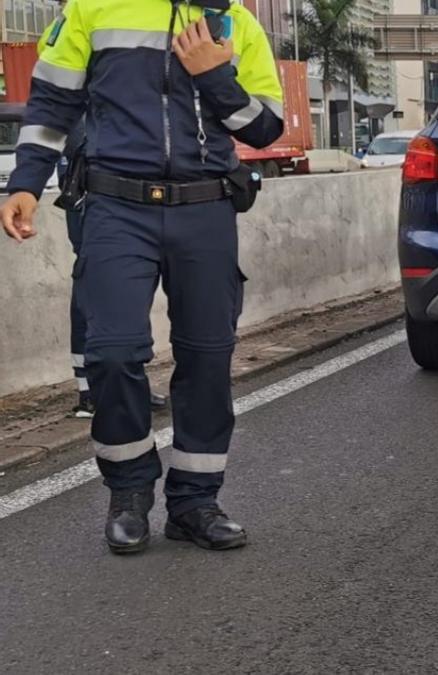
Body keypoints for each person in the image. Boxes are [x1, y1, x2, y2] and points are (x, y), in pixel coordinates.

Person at [2, 0, 284, 554]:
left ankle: (195, 502)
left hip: (205, 208)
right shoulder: (93, 8)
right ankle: (129, 491)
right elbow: (52, 102)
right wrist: (26, 183)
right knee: (110, 352)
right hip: (114, 207)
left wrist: (214, 75)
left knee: (207, 355)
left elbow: (266, 128)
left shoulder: (236, 21)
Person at [36, 9, 168, 420]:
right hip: (90, 179)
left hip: (104, 173)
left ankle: (119, 383)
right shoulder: (71, 27)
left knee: (120, 291)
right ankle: (90, 388)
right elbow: (63, 108)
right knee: (95, 283)